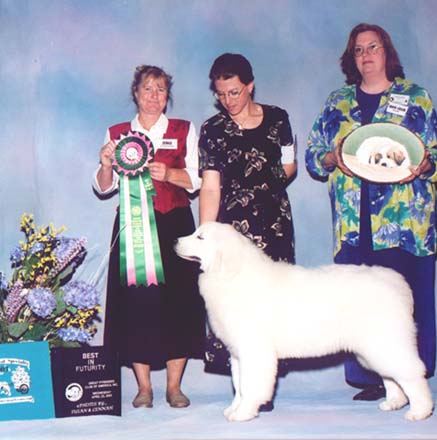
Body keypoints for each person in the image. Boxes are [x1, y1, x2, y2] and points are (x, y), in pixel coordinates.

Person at [306, 23, 437, 401]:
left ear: (387, 52)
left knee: (409, 299)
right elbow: (313, 157)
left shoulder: (416, 97)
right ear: (351, 58)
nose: (366, 54)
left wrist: (425, 166)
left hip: (405, 222)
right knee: (359, 303)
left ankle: (411, 377)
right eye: (358, 49)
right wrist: (332, 157)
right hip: (355, 222)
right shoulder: (337, 102)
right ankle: (374, 379)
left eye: (373, 47)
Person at [93, 65, 206, 409]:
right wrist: (107, 163)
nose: (154, 96)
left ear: (167, 95)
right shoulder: (116, 132)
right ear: (136, 94)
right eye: (147, 89)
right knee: (136, 305)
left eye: (160, 90)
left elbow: (199, 180)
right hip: (133, 230)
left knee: (180, 303)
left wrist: (172, 174)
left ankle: (174, 387)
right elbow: (103, 186)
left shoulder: (185, 129)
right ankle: (144, 387)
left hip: (175, 224)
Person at [198, 53, 297, 382]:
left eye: (234, 92)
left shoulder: (278, 119)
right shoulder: (212, 129)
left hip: (275, 225)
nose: (227, 100)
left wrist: (266, 187)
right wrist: (206, 235)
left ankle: (263, 384)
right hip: (231, 230)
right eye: (220, 94)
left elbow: (289, 165)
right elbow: (210, 187)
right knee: (234, 308)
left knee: (273, 304)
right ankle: (244, 387)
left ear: (250, 86)